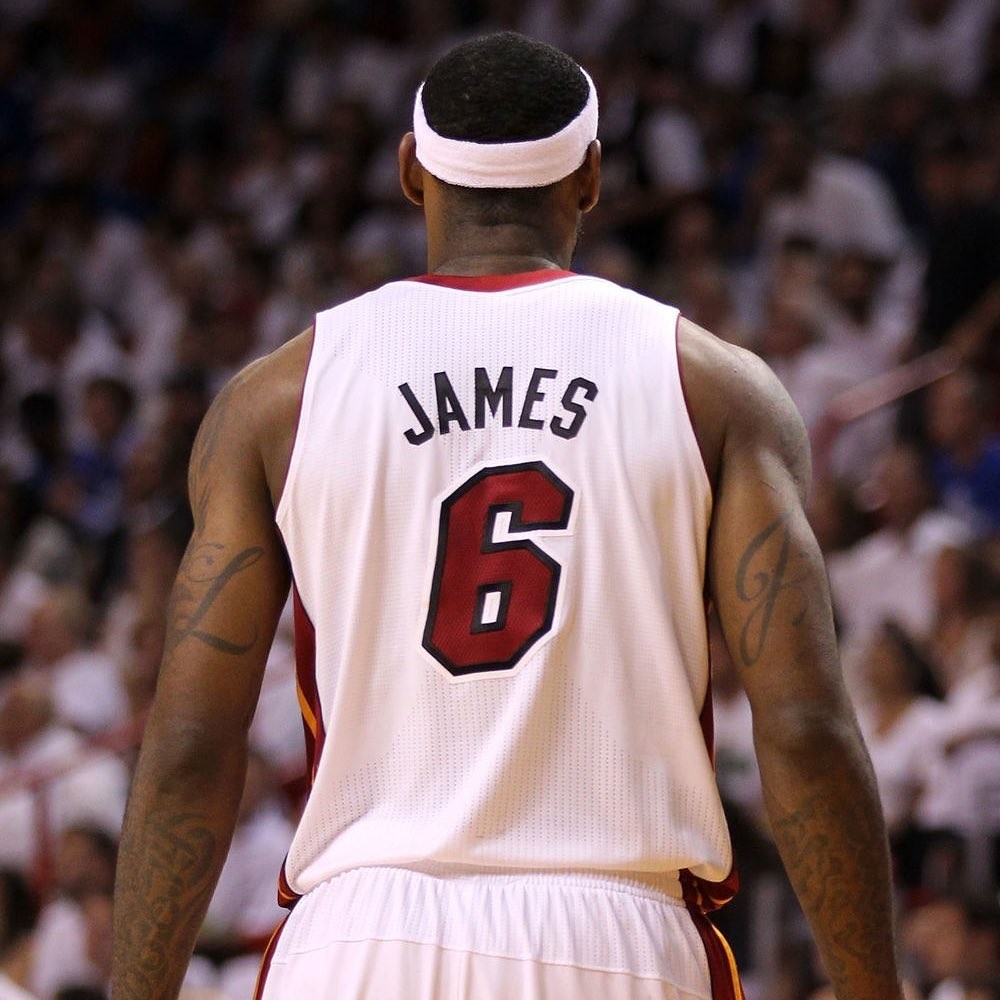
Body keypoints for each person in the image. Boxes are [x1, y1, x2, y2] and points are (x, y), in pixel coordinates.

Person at [111, 32, 905, 1000]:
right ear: (591, 177)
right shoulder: (712, 387)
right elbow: (805, 728)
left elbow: (191, 746)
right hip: (612, 935)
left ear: (412, 172)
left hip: (357, 938)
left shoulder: (278, 397)